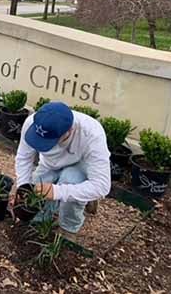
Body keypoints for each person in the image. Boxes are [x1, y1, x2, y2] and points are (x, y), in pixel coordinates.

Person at [13, 102, 111, 240]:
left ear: (69, 131)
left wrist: (57, 191)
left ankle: (68, 228)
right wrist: (23, 186)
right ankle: (41, 222)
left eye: (49, 141)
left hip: (80, 164)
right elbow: (24, 158)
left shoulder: (92, 134)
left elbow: (102, 186)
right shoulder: (33, 123)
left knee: (69, 181)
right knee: (37, 192)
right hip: (49, 163)